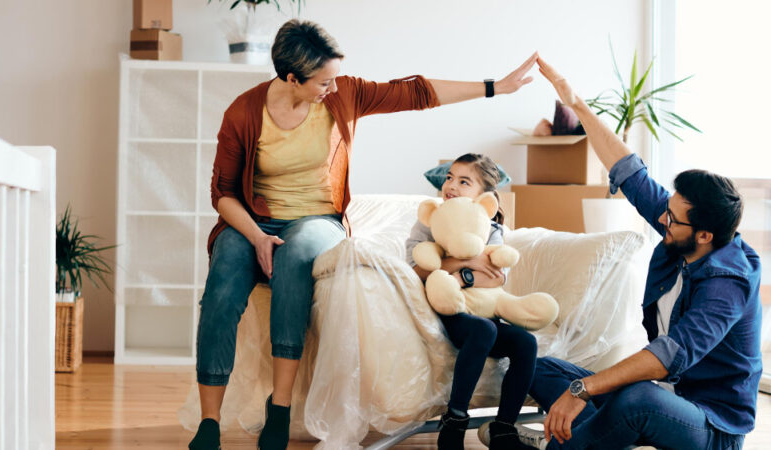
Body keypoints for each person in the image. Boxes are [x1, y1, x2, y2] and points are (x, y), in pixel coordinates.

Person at [188, 19, 539, 450]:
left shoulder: (344, 94)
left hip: (316, 220)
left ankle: (279, 408)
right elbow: (222, 193)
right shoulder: (244, 111)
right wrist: (257, 237)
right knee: (223, 276)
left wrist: (495, 87)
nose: (333, 88)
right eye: (323, 81)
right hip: (251, 220)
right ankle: (209, 422)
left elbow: (416, 93)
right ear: (292, 78)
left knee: (296, 256)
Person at [515, 57, 763, 450]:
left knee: (637, 400)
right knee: (538, 367)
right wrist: (575, 101)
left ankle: (564, 445)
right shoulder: (681, 228)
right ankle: (595, 438)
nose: (662, 216)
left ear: (703, 234)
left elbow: (667, 357)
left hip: (711, 425)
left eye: (673, 217)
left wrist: (582, 390)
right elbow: (630, 171)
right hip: (663, 396)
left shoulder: (728, 283)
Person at [405, 154, 538, 450]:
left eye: (464, 181)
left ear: (484, 197)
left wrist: (455, 269)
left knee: (525, 343)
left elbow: (496, 278)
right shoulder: (431, 221)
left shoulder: (491, 229)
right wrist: (472, 261)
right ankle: (455, 419)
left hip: (484, 311)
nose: (451, 185)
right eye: (450, 177)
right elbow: (415, 271)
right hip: (447, 312)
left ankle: (504, 429)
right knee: (483, 331)